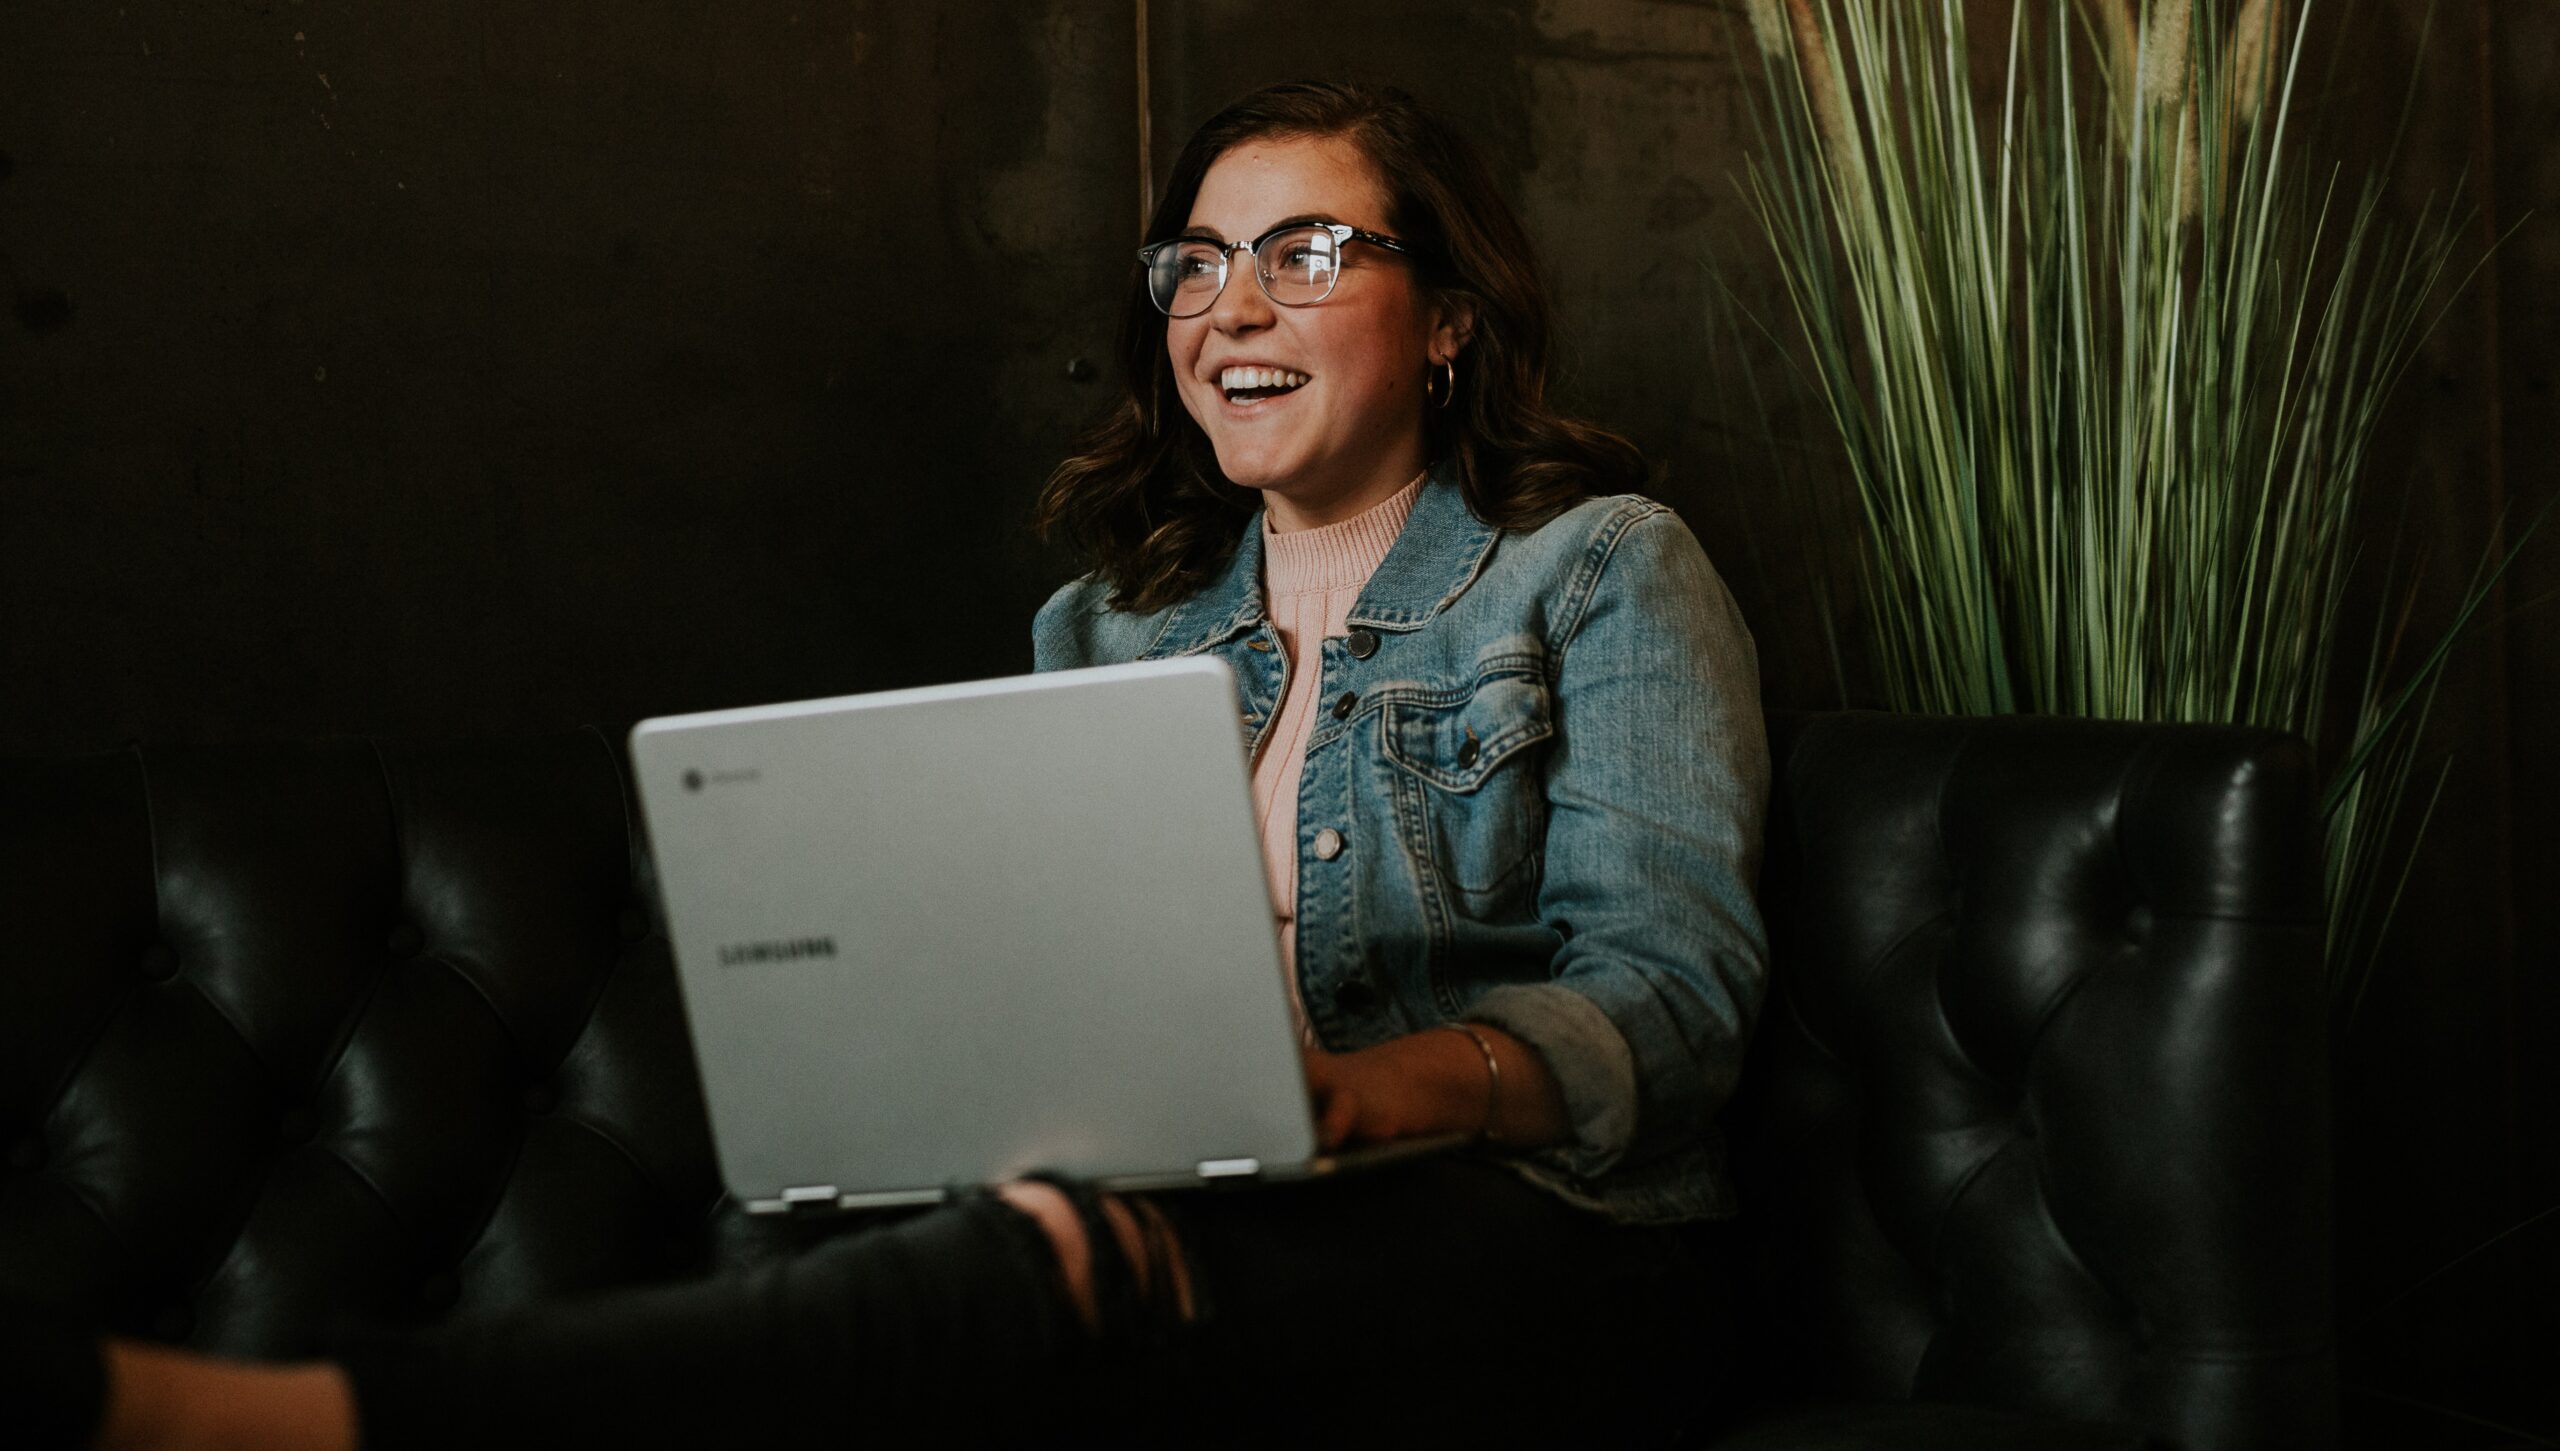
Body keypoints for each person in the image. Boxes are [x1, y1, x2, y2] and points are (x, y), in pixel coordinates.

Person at [25, 80, 1770, 1448]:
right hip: (1211, 1229)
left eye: (1308, 254)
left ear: (1449, 317)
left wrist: (1353, 1099)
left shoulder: (1601, 568)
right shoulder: (1106, 626)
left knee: (1024, 1297)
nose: (1232, 306)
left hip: (1551, 1248)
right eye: (1196, 265)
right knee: (859, 1265)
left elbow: (1672, 1010)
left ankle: (281, 1423)